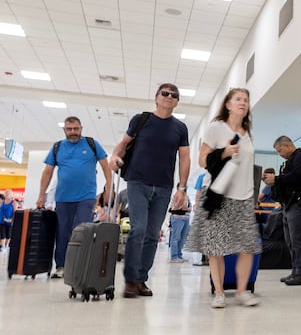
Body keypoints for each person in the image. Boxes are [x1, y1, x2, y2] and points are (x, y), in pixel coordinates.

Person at [110, 83, 190, 299]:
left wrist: (182, 188)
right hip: (138, 182)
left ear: (177, 101)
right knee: (138, 229)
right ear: (156, 98)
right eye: (165, 93)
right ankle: (131, 280)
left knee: (153, 234)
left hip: (164, 187)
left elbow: (184, 158)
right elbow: (123, 144)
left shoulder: (180, 128)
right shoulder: (141, 120)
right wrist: (115, 156)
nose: (169, 97)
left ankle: (141, 280)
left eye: (174, 95)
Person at [184, 88, 261, 308]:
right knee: (215, 246)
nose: (243, 103)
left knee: (247, 246)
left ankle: (241, 291)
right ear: (227, 104)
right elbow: (202, 160)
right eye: (238, 99)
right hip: (219, 193)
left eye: (246, 100)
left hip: (244, 196)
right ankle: (219, 292)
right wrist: (224, 152)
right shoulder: (216, 128)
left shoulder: (247, 132)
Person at [36, 116, 112, 278]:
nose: (73, 132)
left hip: (86, 196)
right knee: (62, 232)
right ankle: (62, 266)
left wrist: (108, 187)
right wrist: (41, 195)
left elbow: (106, 167)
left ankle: (80, 265)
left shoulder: (92, 144)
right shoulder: (57, 147)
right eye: (69, 129)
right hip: (63, 198)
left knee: (83, 230)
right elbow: (47, 172)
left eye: (76, 129)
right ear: (64, 130)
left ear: (81, 129)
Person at [264, 136, 301, 286]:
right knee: (290, 241)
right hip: (288, 205)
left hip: (299, 204)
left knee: (297, 239)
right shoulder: (288, 163)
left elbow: (296, 177)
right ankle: (295, 270)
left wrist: (277, 179)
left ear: (287, 145)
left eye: (280, 151)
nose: (280, 154)